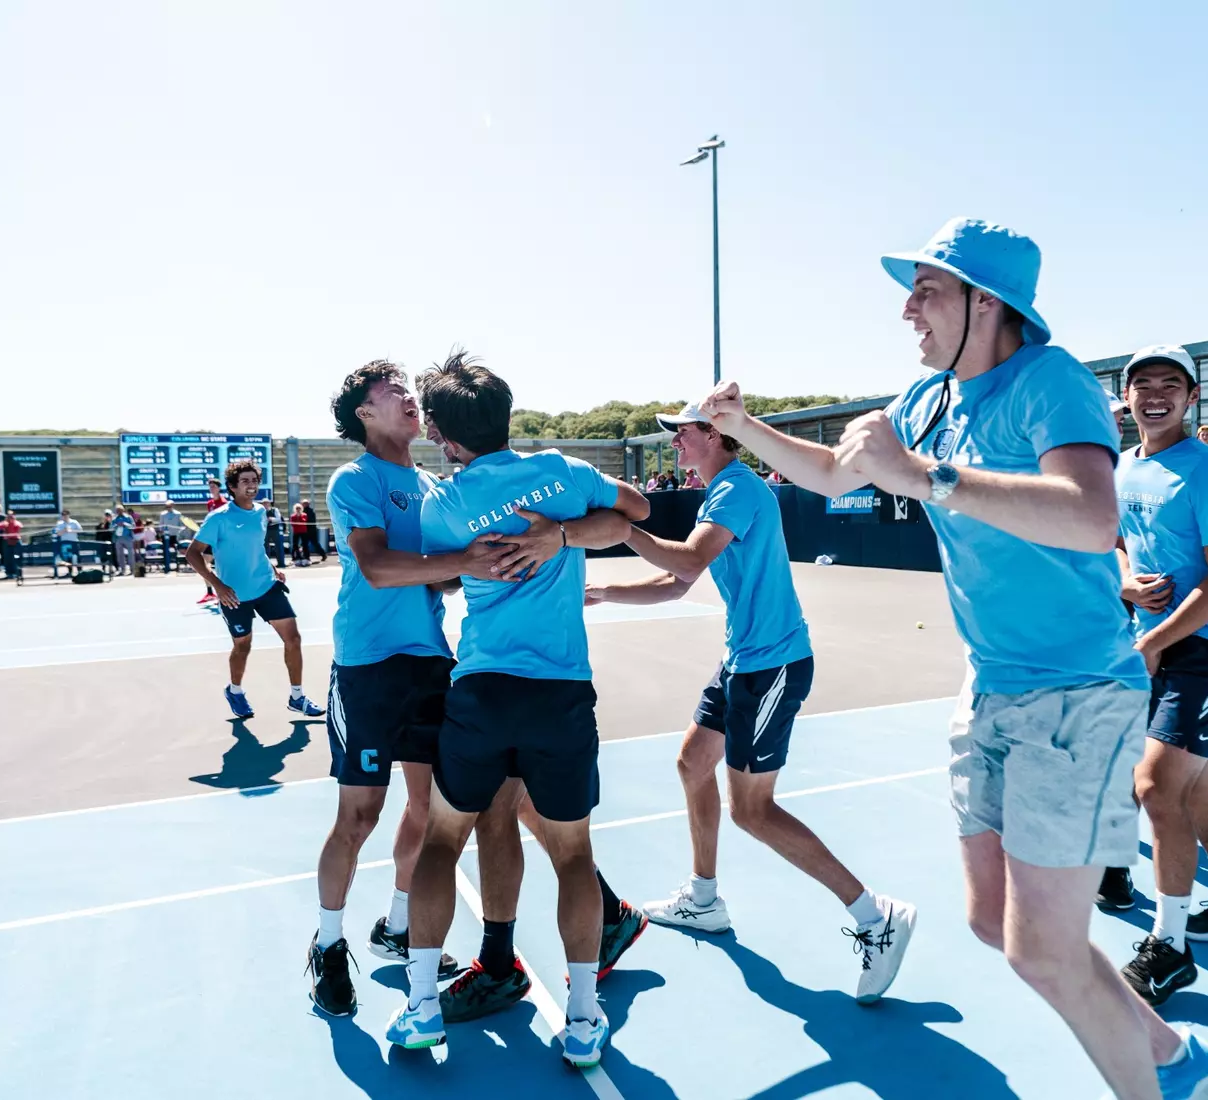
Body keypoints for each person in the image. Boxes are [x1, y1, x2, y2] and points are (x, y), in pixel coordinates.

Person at [699, 218, 1208, 1100]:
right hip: (989, 690)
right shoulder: (928, 401)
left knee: (1042, 947)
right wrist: (743, 425)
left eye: (927, 289)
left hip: (1078, 694)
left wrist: (927, 478)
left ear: (988, 303)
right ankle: (1176, 1058)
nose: (908, 309)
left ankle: (1156, 1082)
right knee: (995, 921)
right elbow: (837, 474)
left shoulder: (1049, 383)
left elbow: (1092, 516)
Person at [586, 402, 915, 1004]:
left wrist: (623, 531)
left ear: (713, 435)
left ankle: (875, 915)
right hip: (742, 661)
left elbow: (684, 561)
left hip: (772, 668)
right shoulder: (722, 494)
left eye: (681, 433)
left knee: (753, 810)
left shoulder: (735, 489)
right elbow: (678, 582)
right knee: (692, 762)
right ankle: (704, 899)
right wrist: (603, 591)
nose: (676, 443)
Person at [385, 351, 650, 1069]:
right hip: (560, 693)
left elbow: (414, 576)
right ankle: (586, 1018)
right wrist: (563, 530)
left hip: (481, 690)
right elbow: (638, 510)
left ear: (444, 435)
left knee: (443, 841)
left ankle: (419, 1010)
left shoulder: (440, 506)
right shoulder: (562, 474)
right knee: (573, 855)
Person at [307, 360, 513, 1015]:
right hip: (369, 667)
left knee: (432, 812)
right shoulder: (355, 479)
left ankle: (398, 928)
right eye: (390, 392)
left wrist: (493, 562)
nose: (406, 399)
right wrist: (459, 562)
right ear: (364, 415)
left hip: (431, 662)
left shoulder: (432, 484)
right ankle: (329, 944)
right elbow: (374, 565)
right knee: (359, 817)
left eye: (405, 390)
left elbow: (440, 578)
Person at [1109, 345, 1208, 1010]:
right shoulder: (1124, 467)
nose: (1156, 394)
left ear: (1192, 397)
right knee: (1194, 788)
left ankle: (1169, 950)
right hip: (1162, 649)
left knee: (1155, 789)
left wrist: (1151, 639)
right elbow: (1115, 543)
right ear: (1128, 398)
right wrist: (1125, 581)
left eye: (1170, 384)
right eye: (1143, 383)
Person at [185, 459, 326, 720]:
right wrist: (218, 585)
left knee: (293, 639)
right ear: (232, 487)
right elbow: (192, 554)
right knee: (243, 646)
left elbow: (256, 548)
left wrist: (273, 569)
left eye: (254, 480)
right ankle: (235, 691)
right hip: (234, 596)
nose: (252, 486)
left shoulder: (261, 512)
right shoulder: (219, 518)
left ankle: (297, 697)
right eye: (245, 482)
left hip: (266, 587)